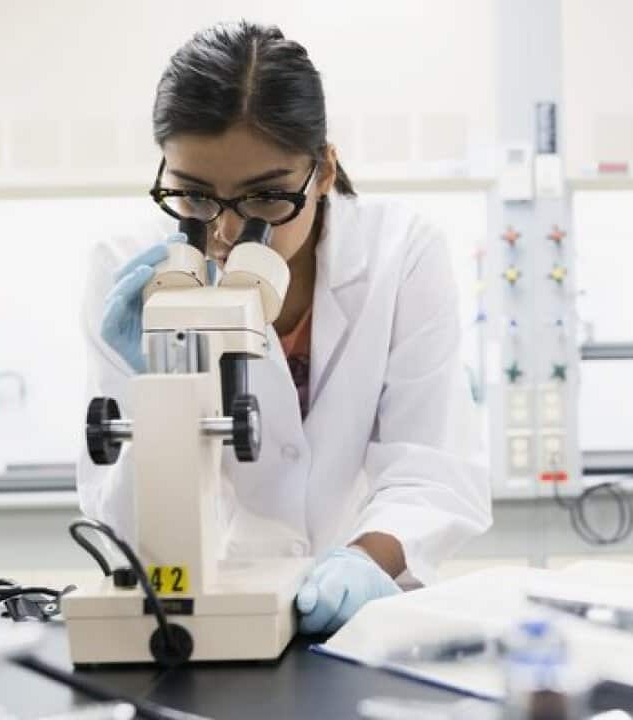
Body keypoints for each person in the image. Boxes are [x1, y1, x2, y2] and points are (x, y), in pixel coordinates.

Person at [77, 20, 491, 634]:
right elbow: (121, 523)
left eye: (265, 198)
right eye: (194, 197)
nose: (224, 232)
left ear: (323, 172)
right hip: (203, 610)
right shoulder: (132, 274)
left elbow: (430, 464)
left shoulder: (401, 253)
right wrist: (158, 398)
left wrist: (361, 562)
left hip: (362, 613)